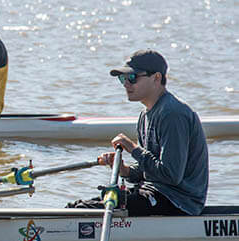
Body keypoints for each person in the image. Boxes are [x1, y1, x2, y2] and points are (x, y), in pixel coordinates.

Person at [69, 49, 209, 216]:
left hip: (179, 202)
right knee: (77, 206)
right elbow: (151, 169)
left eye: (132, 78)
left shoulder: (173, 114)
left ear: (156, 78)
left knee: (85, 211)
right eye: (123, 79)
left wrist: (133, 148)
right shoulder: (145, 115)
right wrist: (125, 170)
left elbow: (171, 175)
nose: (126, 84)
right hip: (154, 192)